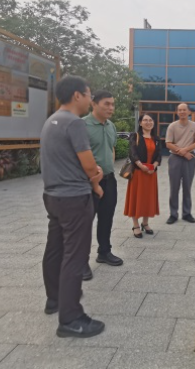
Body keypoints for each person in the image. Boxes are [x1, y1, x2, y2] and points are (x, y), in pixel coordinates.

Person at [40, 75, 105, 338]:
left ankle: (54, 299)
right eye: (89, 95)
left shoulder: (51, 121)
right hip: (74, 198)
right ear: (77, 95)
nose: (90, 100)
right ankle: (71, 318)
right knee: (75, 255)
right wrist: (96, 177)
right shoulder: (75, 123)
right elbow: (89, 165)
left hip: (53, 196)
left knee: (55, 249)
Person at [82, 90, 123, 279]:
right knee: (84, 222)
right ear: (94, 104)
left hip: (109, 180)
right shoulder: (82, 125)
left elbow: (111, 149)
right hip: (88, 182)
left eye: (113, 104)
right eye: (107, 104)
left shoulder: (111, 126)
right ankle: (80, 261)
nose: (111, 108)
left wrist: (108, 168)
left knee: (107, 218)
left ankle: (104, 252)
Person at [124, 113, 162, 237]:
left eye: (150, 120)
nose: (148, 122)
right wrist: (141, 166)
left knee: (148, 199)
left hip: (151, 173)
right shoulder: (135, 136)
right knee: (136, 198)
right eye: (145, 120)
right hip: (138, 173)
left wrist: (154, 166)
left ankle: (145, 223)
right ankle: (135, 225)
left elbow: (159, 155)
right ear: (140, 123)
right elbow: (132, 153)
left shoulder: (156, 139)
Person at [165, 103, 195, 224]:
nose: (182, 112)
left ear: (189, 112)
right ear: (177, 112)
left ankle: (187, 213)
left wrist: (185, 151)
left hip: (189, 159)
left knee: (187, 187)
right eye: (179, 110)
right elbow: (168, 143)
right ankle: (173, 214)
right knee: (174, 187)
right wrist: (182, 152)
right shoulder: (172, 126)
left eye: (184, 110)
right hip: (175, 158)